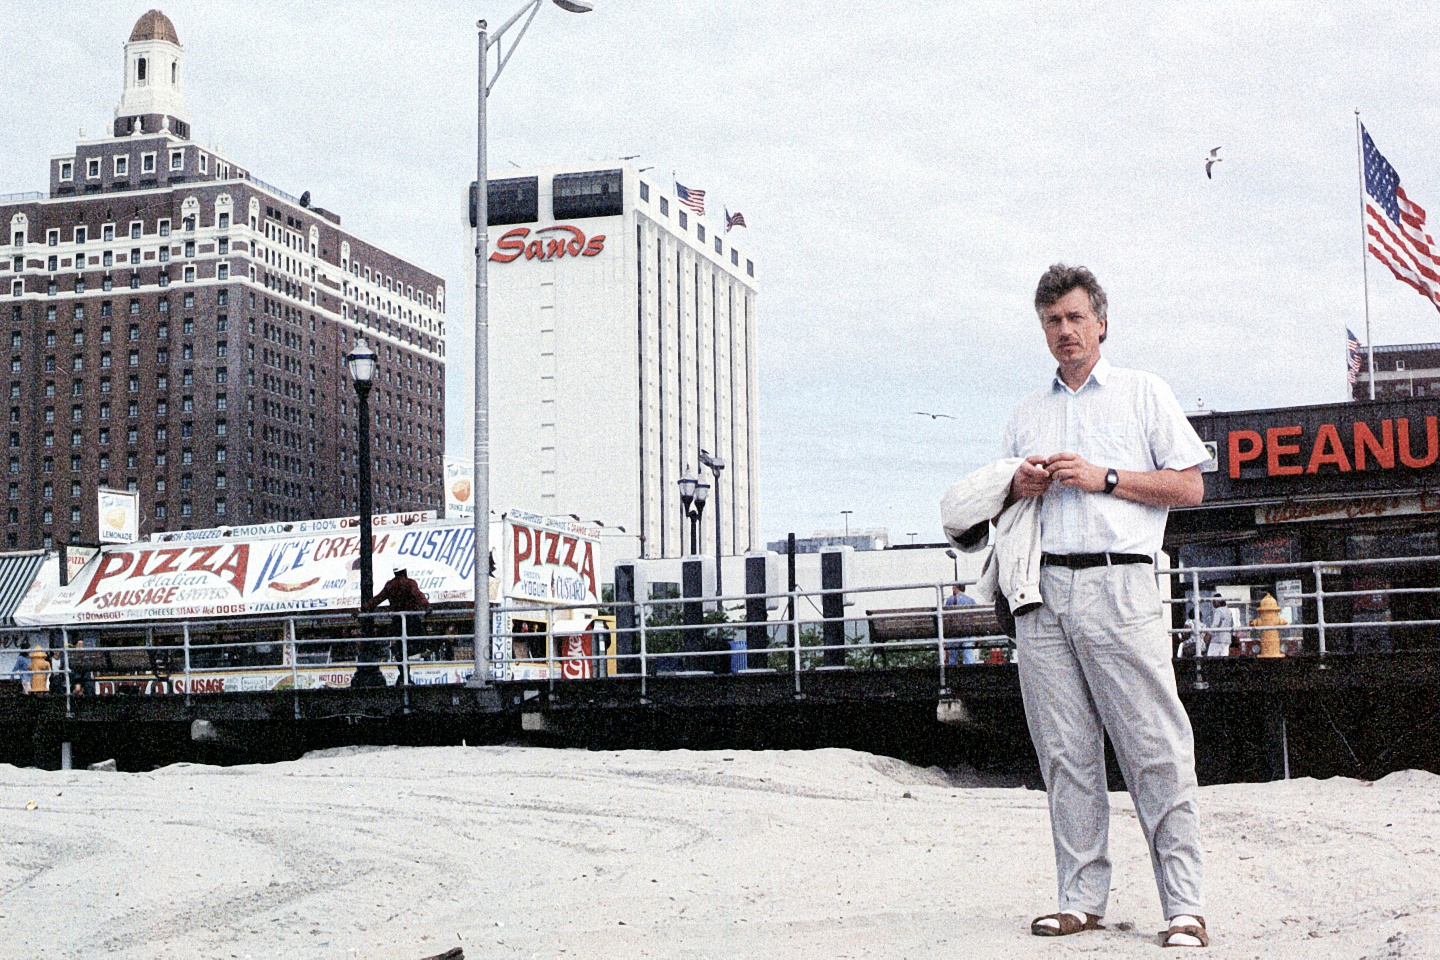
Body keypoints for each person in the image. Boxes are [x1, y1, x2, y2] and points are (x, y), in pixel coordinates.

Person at [1004, 264, 1211, 948]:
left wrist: (1104, 477)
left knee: (1154, 748)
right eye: (1052, 321)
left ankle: (1184, 907)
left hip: (1121, 583)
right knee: (1065, 754)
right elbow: (1000, 507)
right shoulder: (1026, 413)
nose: (1064, 330)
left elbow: (1189, 487)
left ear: (1100, 322)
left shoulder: (1143, 392)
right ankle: (1080, 899)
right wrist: (1019, 484)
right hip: (1042, 593)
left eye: (1074, 317)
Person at [364, 568, 431, 680]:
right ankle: (404, 664)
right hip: (412, 620)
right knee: (421, 644)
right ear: (404, 571)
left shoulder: (390, 585)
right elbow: (418, 595)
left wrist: (363, 608)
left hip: (397, 621)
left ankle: (403, 673)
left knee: (400, 650)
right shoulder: (410, 583)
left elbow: (377, 599)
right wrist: (427, 606)